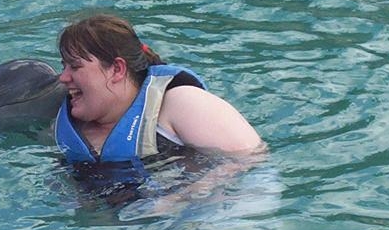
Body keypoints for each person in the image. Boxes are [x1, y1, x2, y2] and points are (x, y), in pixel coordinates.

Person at [54, 14, 264, 168]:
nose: (63, 77)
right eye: (64, 66)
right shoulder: (66, 125)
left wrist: (180, 199)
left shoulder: (183, 104)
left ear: (117, 69)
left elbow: (252, 164)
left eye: (75, 67)